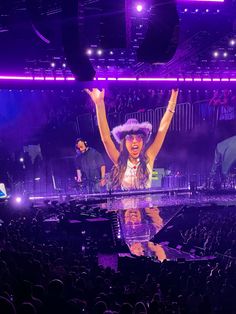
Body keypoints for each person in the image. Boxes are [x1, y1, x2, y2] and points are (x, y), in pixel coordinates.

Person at [85, 88, 179, 190]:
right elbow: (106, 139)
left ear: (143, 141)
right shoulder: (120, 160)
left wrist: (173, 97)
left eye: (139, 137)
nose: (135, 141)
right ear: (124, 142)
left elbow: (162, 129)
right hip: (126, 205)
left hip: (146, 204)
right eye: (130, 138)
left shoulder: (149, 157)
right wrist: (99, 105)